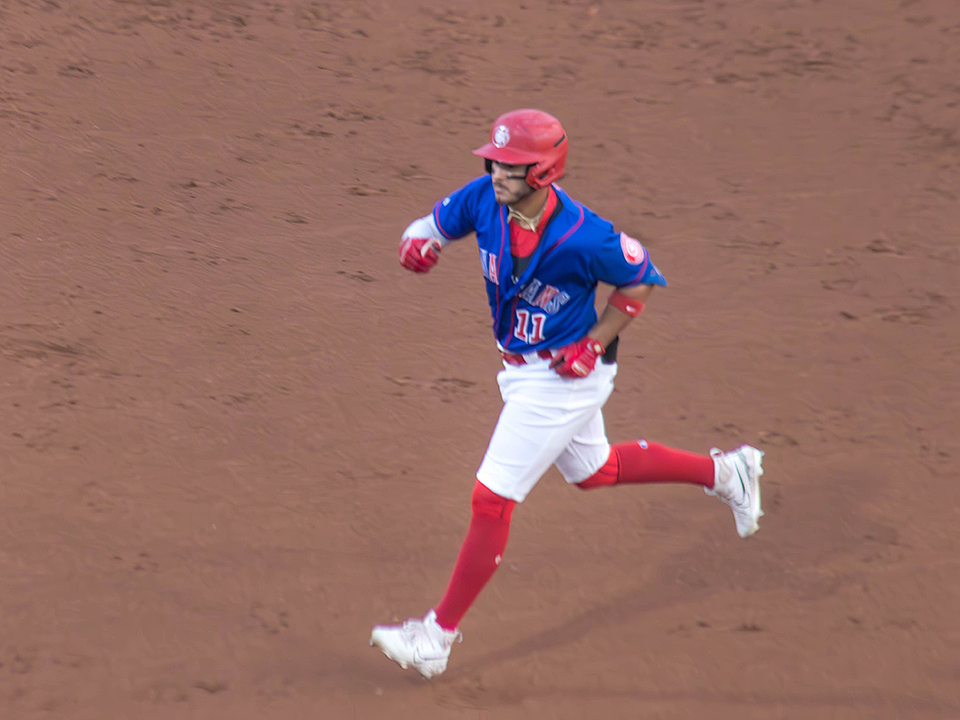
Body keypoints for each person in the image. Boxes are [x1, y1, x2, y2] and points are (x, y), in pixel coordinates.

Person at [370, 108, 764, 679]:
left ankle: (437, 636)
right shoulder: (482, 199)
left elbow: (640, 280)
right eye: (494, 161)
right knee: (594, 471)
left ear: (543, 171)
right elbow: (427, 228)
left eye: (510, 165)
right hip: (519, 369)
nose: (496, 171)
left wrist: (596, 342)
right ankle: (728, 473)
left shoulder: (586, 235)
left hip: (564, 375)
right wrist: (416, 244)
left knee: (491, 499)